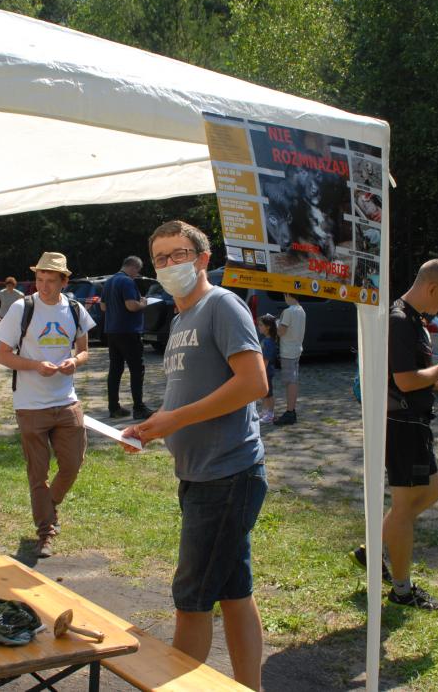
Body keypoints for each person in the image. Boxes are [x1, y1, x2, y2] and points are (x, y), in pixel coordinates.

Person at [123, 221, 268, 691]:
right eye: (160, 258)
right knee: (234, 593)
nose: (169, 265)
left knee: (191, 600)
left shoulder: (221, 305)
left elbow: (254, 383)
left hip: (227, 475)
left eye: (179, 254)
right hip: (201, 475)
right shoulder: (180, 319)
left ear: (203, 259)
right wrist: (152, 426)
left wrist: (176, 420)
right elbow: (185, 396)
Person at [350, 259, 438, 611]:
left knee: (431, 492)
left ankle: (371, 551)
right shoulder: (399, 321)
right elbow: (404, 381)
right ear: (432, 288)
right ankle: (402, 590)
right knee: (405, 507)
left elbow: (416, 375)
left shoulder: (415, 321)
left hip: (413, 422)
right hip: (400, 424)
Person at [0, 252, 94, 559]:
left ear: (64, 281)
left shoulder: (74, 309)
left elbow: (84, 350)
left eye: (51, 280)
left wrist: (74, 361)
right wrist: (36, 365)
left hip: (66, 401)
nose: (44, 286)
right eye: (39, 279)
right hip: (30, 405)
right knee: (38, 473)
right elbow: (3, 355)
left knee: (73, 464)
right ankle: (46, 532)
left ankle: (48, 506)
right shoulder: (22, 308)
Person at [100, 256, 153, 420]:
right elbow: (131, 305)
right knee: (137, 369)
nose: (137, 274)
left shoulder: (109, 281)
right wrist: (143, 303)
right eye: (137, 271)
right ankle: (139, 408)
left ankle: (114, 408)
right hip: (129, 331)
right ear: (133, 267)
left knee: (115, 369)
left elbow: (103, 306)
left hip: (112, 331)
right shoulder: (127, 281)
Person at [274, 293, 306, 426]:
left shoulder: (288, 311)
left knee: (290, 381)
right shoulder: (301, 310)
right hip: (297, 348)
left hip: (288, 351)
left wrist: (275, 322)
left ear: (288, 295)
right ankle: (291, 411)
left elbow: (281, 332)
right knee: (293, 379)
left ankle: (290, 412)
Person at [255, 314, 279, 424]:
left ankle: (270, 414)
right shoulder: (266, 340)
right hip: (265, 371)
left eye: (261, 325)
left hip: (266, 371)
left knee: (269, 393)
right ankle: (265, 412)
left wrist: (261, 372)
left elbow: (266, 359)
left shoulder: (268, 342)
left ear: (268, 327)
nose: (258, 327)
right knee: (264, 393)